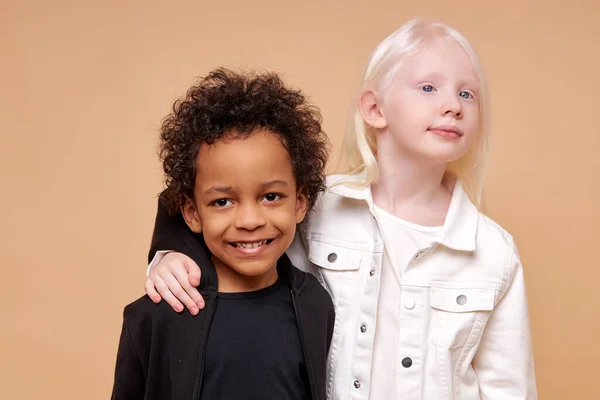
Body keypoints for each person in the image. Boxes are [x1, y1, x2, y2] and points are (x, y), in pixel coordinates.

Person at [144, 19, 538, 399]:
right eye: (429, 87)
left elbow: (509, 387)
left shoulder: (494, 253)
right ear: (374, 108)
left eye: (467, 94)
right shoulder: (316, 204)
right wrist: (168, 252)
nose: (453, 105)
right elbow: (216, 204)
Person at [112, 68, 335, 400]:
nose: (249, 220)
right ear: (192, 213)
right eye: (223, 201)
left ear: (300, 203)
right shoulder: (153, 316)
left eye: (271, 196)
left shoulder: (316, 304)